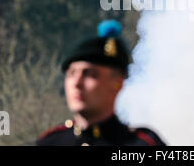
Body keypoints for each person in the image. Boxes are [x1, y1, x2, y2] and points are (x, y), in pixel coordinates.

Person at [37, 20, 166, 146]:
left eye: (89, 74)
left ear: (117, 84)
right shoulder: (50, 142)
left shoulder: (144, 144)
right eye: (71, 73)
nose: (76, 83)